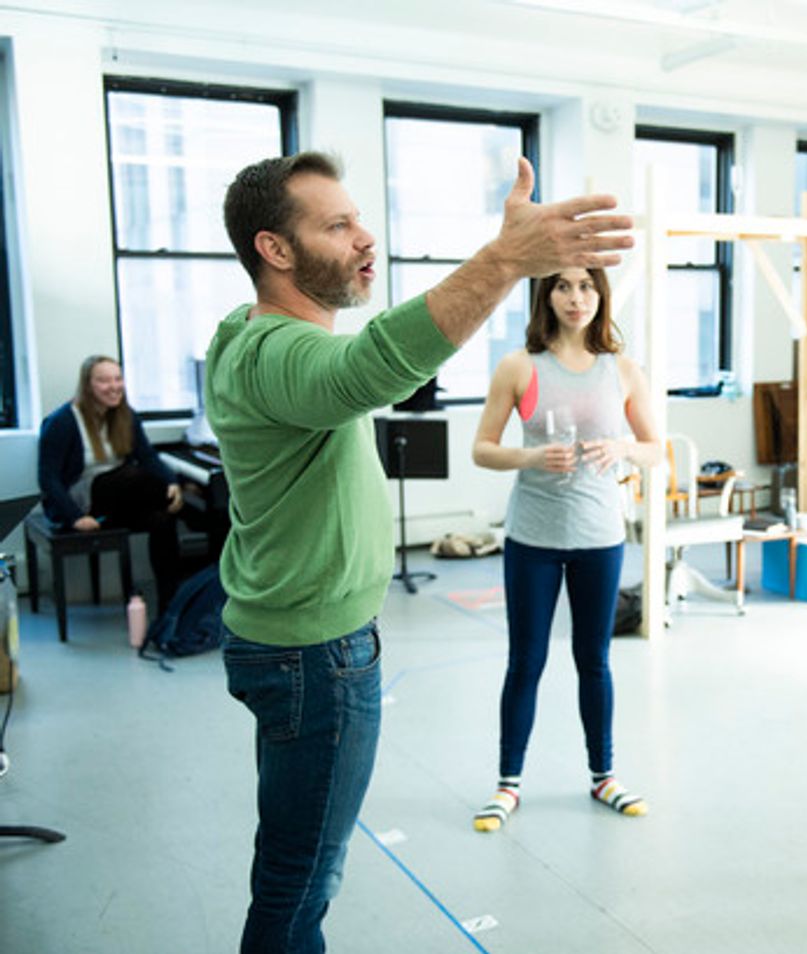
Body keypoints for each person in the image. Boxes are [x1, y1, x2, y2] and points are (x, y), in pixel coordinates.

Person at [208, 151, 631, 954]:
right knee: (302, 879)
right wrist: (507, 260)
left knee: (297, 869)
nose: (366, 238)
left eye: (358, 216)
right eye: (337, 225)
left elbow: (354, 357)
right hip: (315, 659)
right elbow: (372, 367)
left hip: (293, 644)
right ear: (275, 250)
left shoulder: (243, 330)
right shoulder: (278, 356)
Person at [470, 266, 662, 832]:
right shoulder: (519, 367)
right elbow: (482, 449)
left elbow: (655, 450)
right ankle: (508, 785)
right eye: (562, 286)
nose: (575, 297)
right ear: (545, 295)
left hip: (600, 538)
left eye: (586, 286)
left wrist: (623, 447)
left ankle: (604, 776)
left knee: (594, 661)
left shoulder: (622, 370)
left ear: (599, 294)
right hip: (532, 537)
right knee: (525, 661)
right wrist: (530, 457)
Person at [37, 355, 186, 611]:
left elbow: (147, 456)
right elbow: (47, 478)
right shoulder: (62, 421)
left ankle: (169, 604)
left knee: (163, 518)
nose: (114, 386)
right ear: (87, 385)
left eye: (118, 379)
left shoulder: (126, 416)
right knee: (130, 475)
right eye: (104, 381)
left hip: (120, 498)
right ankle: (188, 507)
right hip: (83, 500)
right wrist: (74, 517)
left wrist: (171, 482)